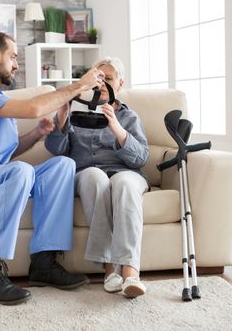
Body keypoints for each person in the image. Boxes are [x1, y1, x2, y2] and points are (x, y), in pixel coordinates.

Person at [0, 31, 104, 305]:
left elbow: (7, 152)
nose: (16, 65)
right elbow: (34, 108)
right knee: (21, 171)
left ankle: (44, 263)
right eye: (13, 57)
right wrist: (78, 86)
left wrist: (36, 135)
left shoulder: (1, 101)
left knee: (62, 166)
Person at [45, 57, 150, 298]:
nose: (102, 84)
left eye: (109, 79)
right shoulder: (77, 110)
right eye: (98, 78)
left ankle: (130, 274)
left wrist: (118, 130)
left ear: (120, 84)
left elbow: (141, 158)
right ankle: (109, 269)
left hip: (126, 172)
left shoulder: (129, 116)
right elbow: (56, 149)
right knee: (94, 177)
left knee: (123, 183)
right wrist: (63, 114)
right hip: (88, 172)